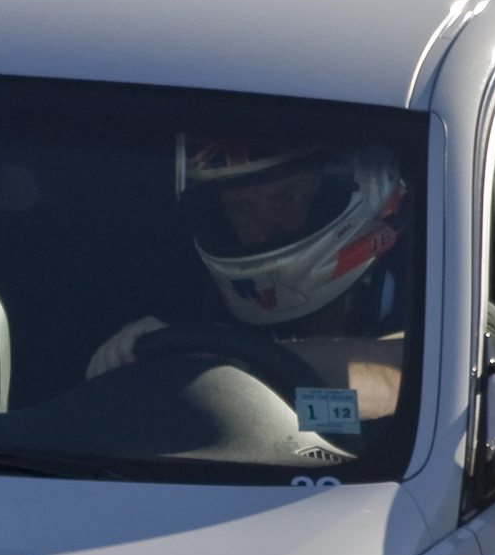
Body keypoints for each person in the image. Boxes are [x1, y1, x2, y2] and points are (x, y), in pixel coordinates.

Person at [87, 133, 409, 415]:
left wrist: (212, 361)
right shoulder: (195, 291)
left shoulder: (425, 271)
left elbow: (394, 379)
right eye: (240, 207)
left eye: (286, 198)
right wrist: (130, 361)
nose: (261, 231)